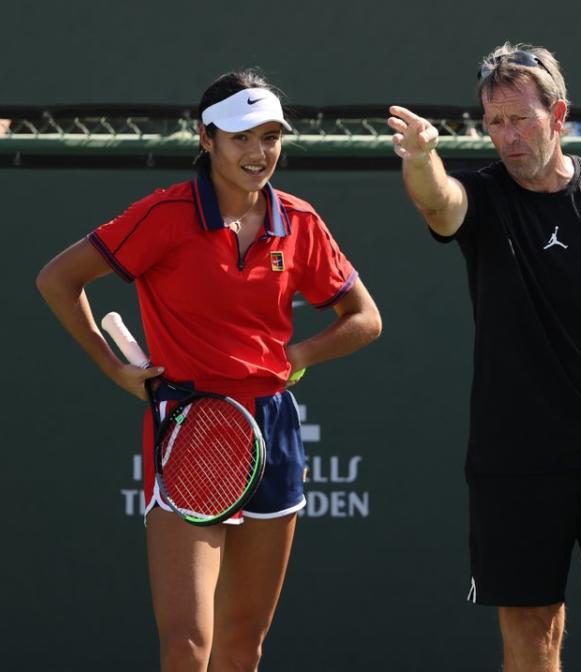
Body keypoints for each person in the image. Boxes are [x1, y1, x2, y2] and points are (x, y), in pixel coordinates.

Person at [37, 69, 382, 672]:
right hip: (189, 429)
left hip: (272, 428)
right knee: (188, 643)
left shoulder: (299, 221)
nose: (259, 152)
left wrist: (297, 356)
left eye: (271, 136)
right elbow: (58, 280)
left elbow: (365, 318)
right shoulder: (164, 215)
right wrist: (111, 365)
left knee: (242, 643)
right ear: (207, 139)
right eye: (243, 137)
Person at [388, 42, 581, 672]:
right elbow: (438, 203)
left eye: (520, 120)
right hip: (516, 460)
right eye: (494, 123)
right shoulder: (481, 196)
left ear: (558, 114)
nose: (506, 137)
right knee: (533, 639)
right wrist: (422, 159)